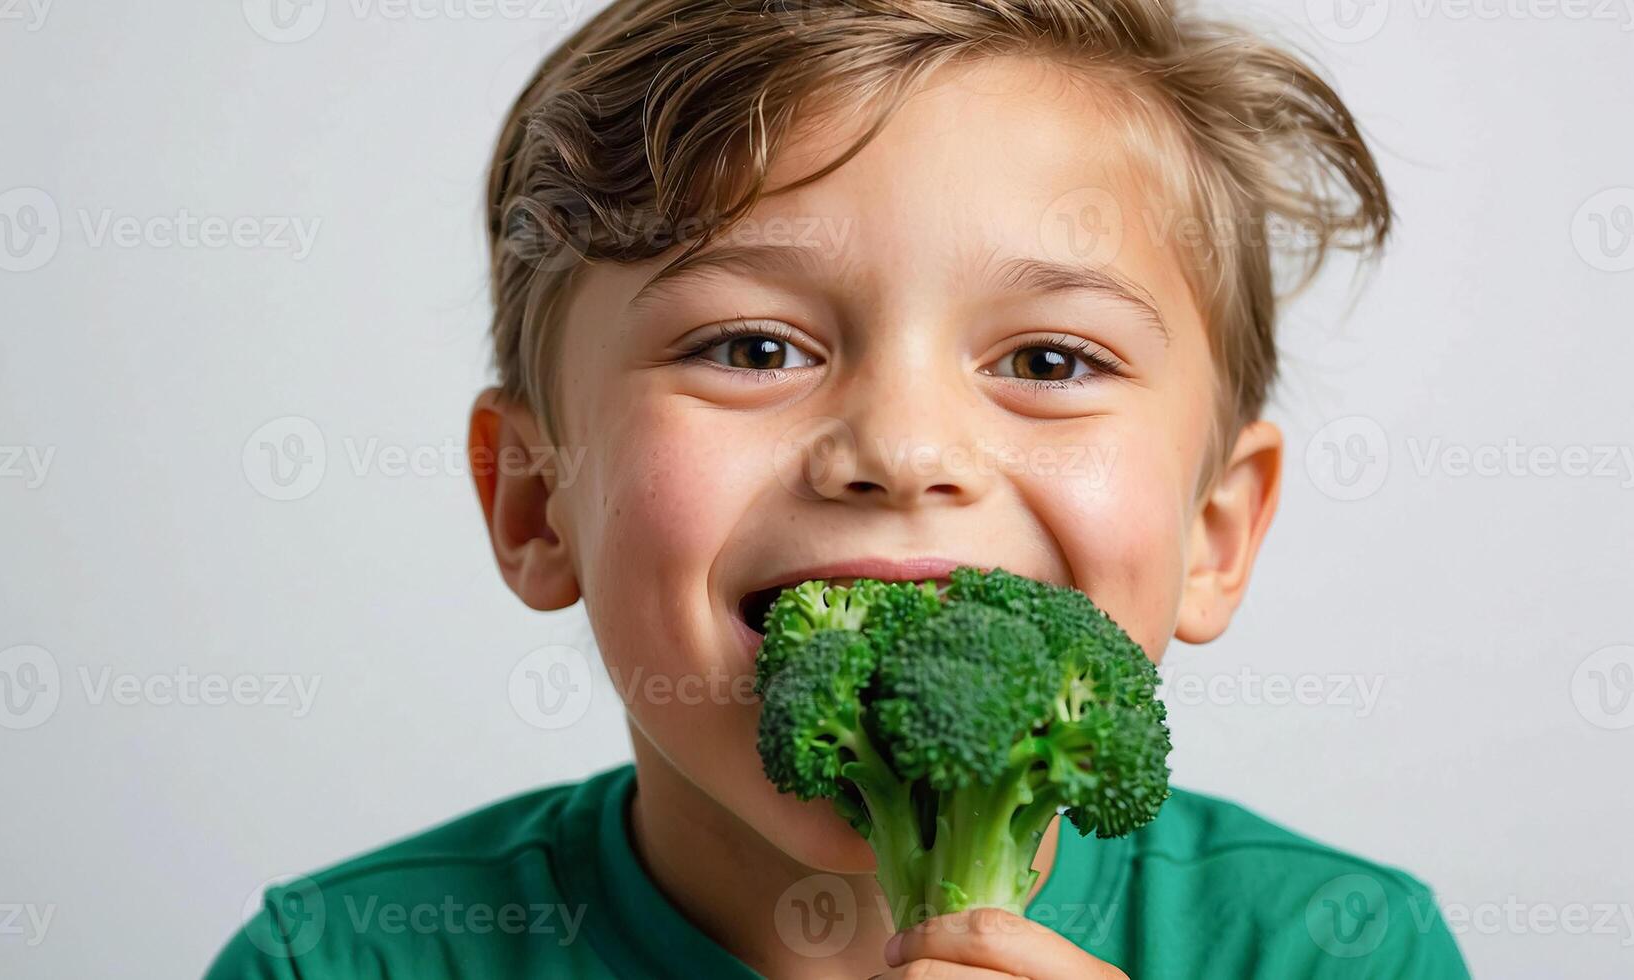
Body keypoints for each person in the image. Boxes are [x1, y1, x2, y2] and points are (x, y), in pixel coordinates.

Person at [205, 1, 1471, 975]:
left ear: (1216, 529)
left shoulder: (1338, 944)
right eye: (753, 348)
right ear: (536, 501)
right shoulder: (341, 957)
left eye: (1047, 359)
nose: (903, 445)